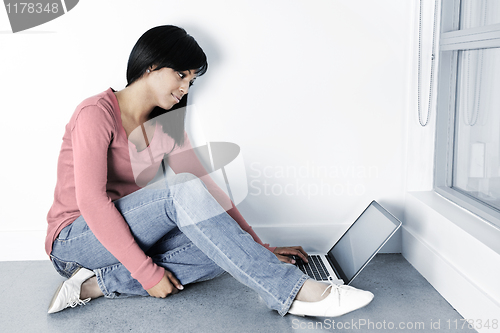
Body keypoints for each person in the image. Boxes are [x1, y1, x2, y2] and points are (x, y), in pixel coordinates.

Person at [45, 25, 374, 317]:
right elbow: (91, 202)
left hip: (120, 241)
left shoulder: (166, 125)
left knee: (222, 247)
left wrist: (258, 246)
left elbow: (207, 191)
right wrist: (146, 273)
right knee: (184, 192)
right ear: (152, 65)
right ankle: (294, 293)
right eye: (181, 75)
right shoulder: (95, 113)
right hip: (75, 241)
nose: (186, 88)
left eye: (192, 80)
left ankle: (95, 285)